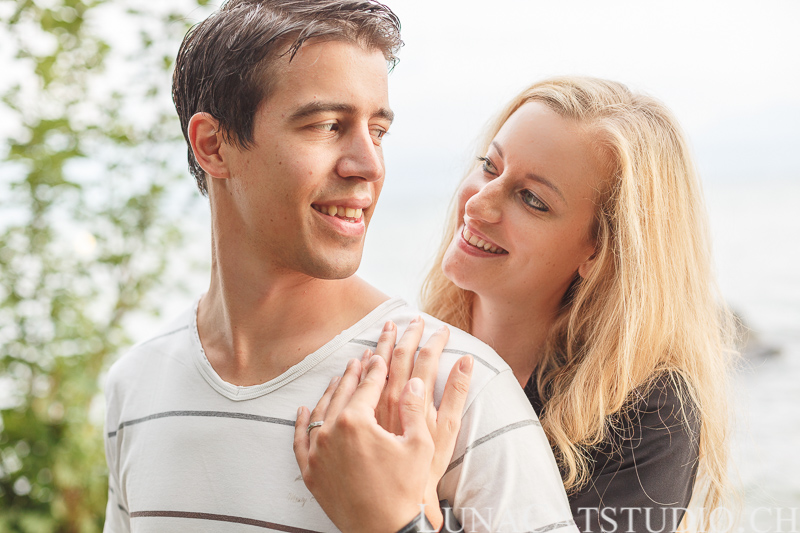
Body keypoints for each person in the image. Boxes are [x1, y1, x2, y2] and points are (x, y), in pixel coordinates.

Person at [102, 1, 579, 532]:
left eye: (377, 131)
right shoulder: (136, 385)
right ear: (213, 146)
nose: (369, 165)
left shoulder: (456, 391)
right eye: (328, 126)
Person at [294, 77, 735, 533]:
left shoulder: (649, 410)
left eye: (532, 199)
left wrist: (401, 520)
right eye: (490, 165)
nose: (478, 205)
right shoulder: (410, 354)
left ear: (600, 252)